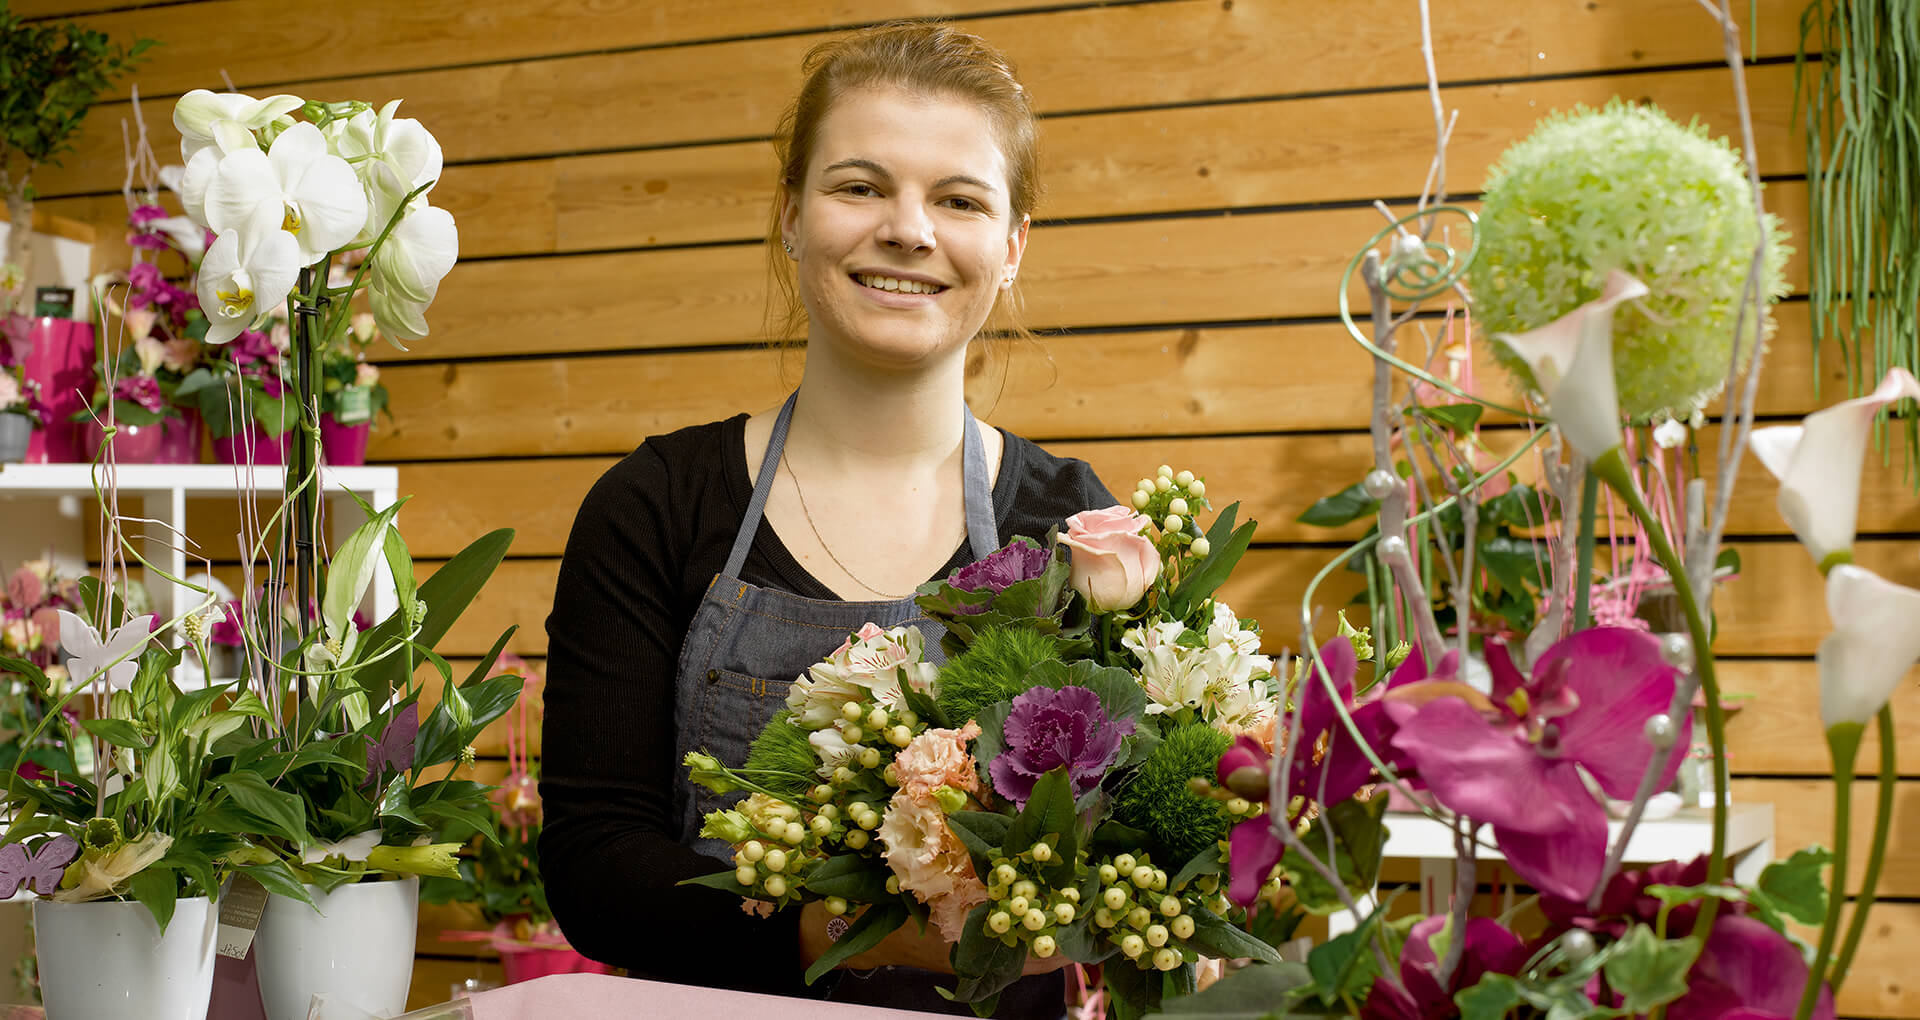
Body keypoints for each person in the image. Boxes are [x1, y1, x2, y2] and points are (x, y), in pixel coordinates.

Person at [540, 21, 1113, 1014]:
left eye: (959, 200)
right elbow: (596, 868)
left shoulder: (1081, 534)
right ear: (792, 216)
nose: (908, 229)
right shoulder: (656, 508)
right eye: (860, 186)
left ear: (1012, 247)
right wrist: (867, 937)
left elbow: (1134, 841)